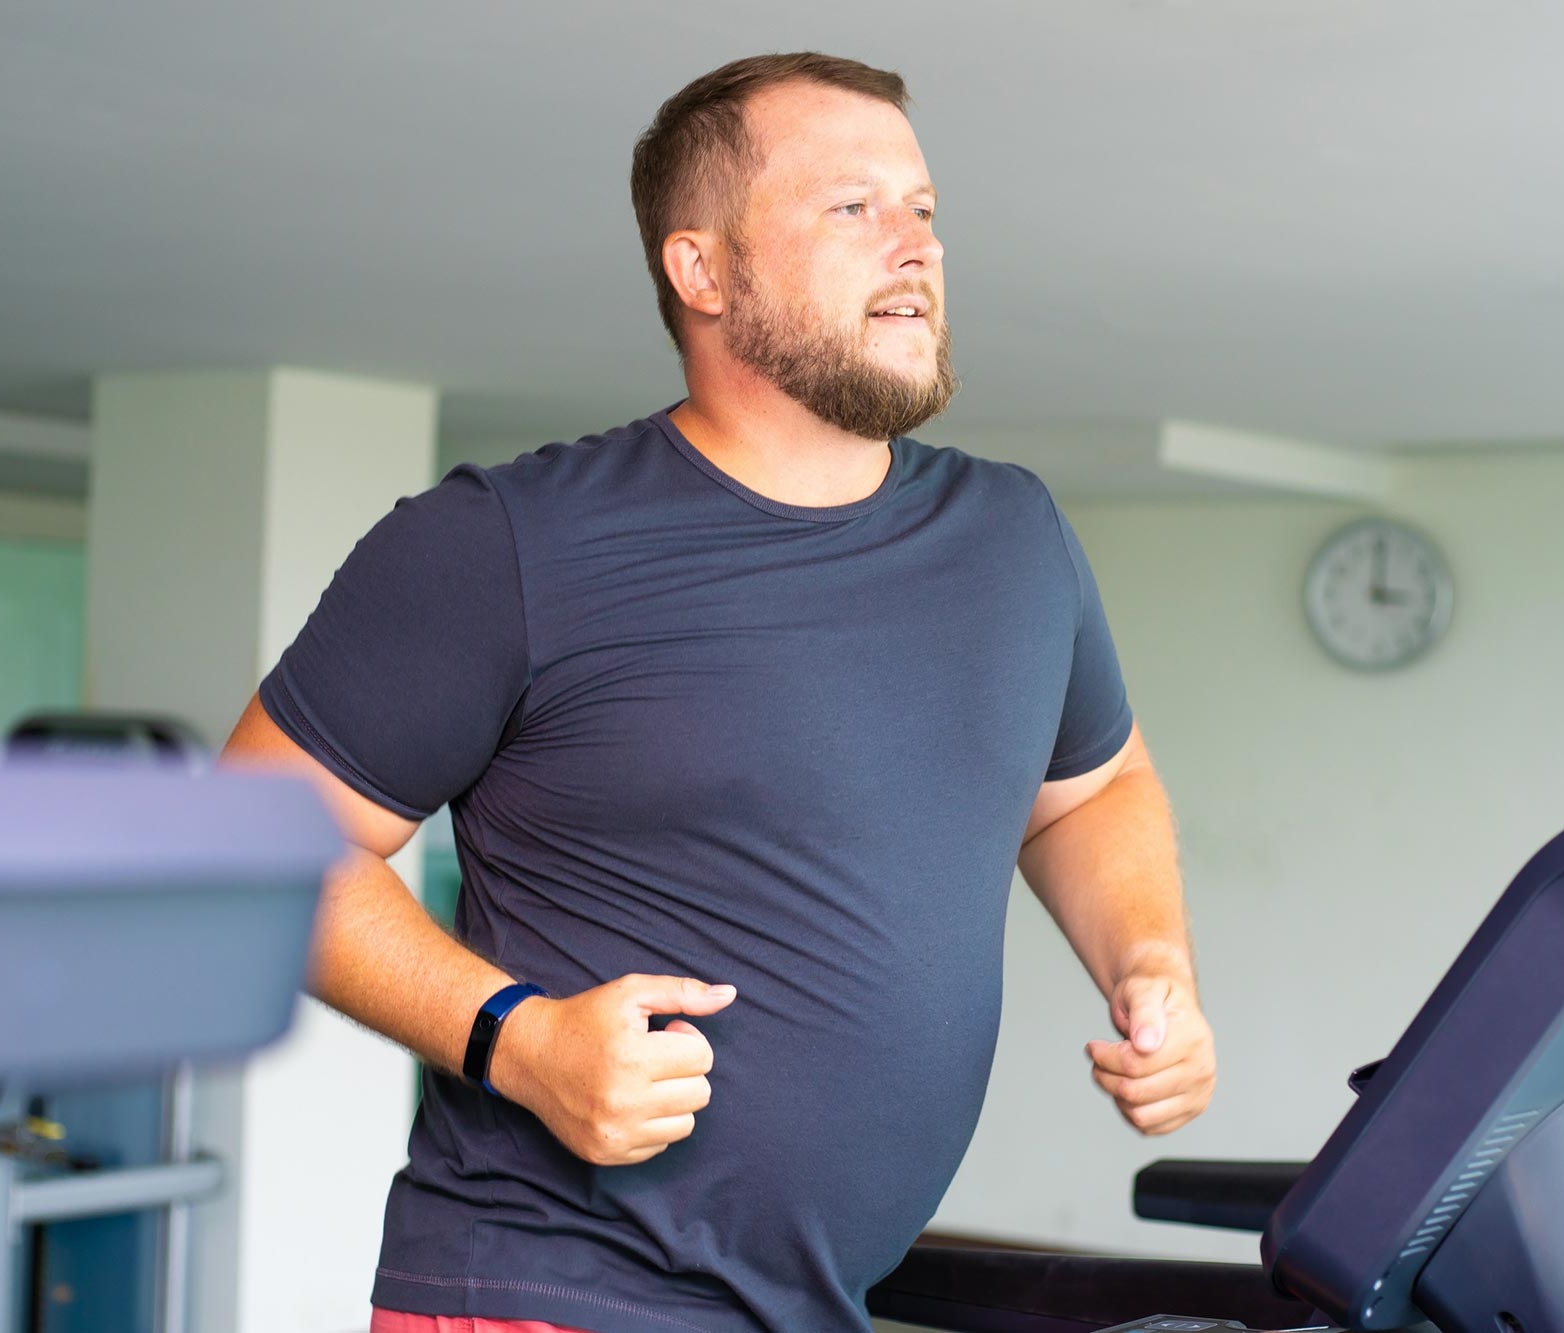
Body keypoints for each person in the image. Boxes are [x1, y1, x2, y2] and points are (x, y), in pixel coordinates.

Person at [220, 51, 1216, 1333]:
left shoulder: (1012, 537)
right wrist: (516, 1040)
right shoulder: (505, 544)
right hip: (552, 1287)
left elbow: (1089, 790)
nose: (914, 246)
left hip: (816, 1302)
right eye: (851, 208)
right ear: (702, 270)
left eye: (923, 209)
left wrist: (1150, 963)